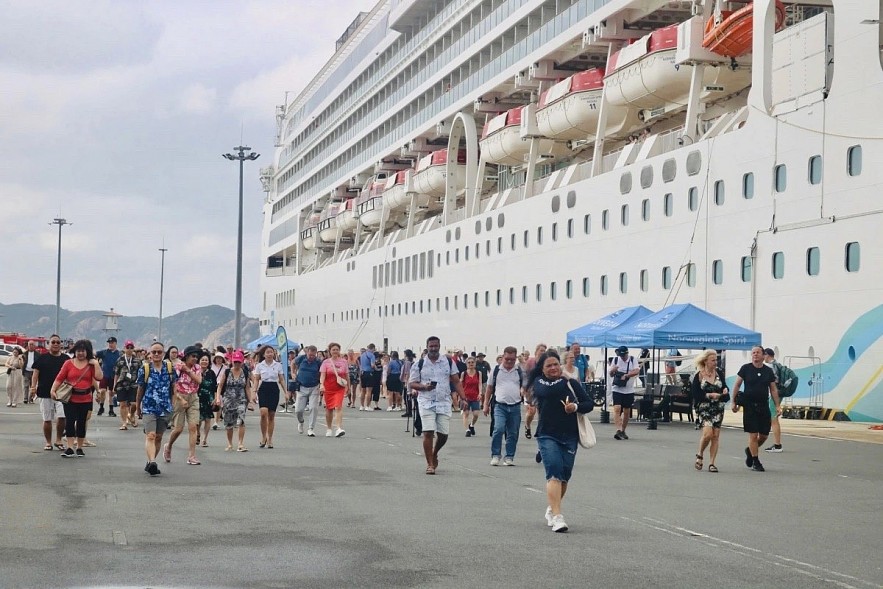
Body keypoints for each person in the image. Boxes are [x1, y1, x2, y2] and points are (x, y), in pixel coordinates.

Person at [530, 352, 593, 532]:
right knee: (554, 473)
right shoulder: (540, 383)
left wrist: (575, 407)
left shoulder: (571, 383)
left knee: (565, 476)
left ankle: (552, 508)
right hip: (547, 434)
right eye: (548, 365)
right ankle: (558, 517)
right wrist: (564, 379)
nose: (553, 368)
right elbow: (548, 391)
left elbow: (588, 403)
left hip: (570, 435)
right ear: (542, 369)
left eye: (556, 364)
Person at [408, 336, 463, 474]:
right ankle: (430, 464)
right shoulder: (420, 363)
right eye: (431, 346)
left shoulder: (448, 361)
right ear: (427, 347)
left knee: (443, 434)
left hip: (444, 401)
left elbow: (456, 381)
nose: (433, 348)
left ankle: (435, 452)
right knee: (428, 432)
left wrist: (463, 398)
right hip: (426, 401)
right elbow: (412, 383)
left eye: (435, 346)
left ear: (439, 346)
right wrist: (424, 387)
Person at [731, 345, 780, 472]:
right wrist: (733, 402)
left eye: (758, 352)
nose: (755, 355)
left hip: (763, 405)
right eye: (753, 353)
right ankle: (755, 461)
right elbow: (737, 385)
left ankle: (750, 450)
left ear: (763, 355)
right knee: (753, 435)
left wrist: (777, 405)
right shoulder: (745, 369)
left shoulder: (768, 371)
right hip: (749, 406)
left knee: (763, 435)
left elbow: (773, 389)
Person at [51, 339, 101, 457]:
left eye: (83, 351)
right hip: (71, 398)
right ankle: (69, 447)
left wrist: (96, 364)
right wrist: (53, 390)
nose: (80, 353)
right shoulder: (68, 363)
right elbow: (59, 377)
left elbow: (99, 377)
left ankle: (79, 447)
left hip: (86, 398)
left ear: (87, 352)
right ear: (75, 351)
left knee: (82, 423)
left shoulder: (91, 364)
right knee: (70, 421)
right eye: (78, 351)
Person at [136, 342, 176, 475]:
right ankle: (153, 461)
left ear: (164, 353)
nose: (157, 354)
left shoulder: (170, 368)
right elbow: (141, 389)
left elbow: (173, 389)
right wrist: (138, 406)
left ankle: (150, 461)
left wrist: (173, 405)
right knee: (151, 435)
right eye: (154, 352)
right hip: (149, 406)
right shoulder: (145, 369)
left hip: (165, 407)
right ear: (150, 354)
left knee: (158, 437)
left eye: (159, 352)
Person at [483, 346, 525, 466]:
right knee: (498, 429)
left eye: (512, 359)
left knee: (513, 433)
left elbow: (524, 385)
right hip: (500, 405)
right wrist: (486, 404)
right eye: (507, 359)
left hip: (515, 406)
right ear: (503, 357)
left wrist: (523, 390)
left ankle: (509, 456)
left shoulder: (518, 371)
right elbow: (490, 388)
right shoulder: (496, 370)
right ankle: (496, 455)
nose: (509, 362)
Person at [691, 350, 729, 472]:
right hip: (704, 407)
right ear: (705, 361)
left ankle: (712, 463)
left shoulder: (719, 373)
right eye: (712, 360)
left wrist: (725, 391)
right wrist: (709, 395)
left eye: (716, 360)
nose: (715, 362)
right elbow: (695, 393)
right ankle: (700, 454)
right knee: (708, 434)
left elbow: (724, 387)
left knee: (716, 436)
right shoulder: (698, 375)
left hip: (718, 407)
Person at [164, 345, 203, 465]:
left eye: (197, 356)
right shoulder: (178, 367)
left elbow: (199, 381)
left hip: (193, 397)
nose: (195, 359)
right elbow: (173, 386)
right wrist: (181, 399)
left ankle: (191, 456)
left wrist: (189, 371)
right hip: (180, 397)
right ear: (186, 356)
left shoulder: (197, 368)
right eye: (193, 356)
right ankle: (168, 446)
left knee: (193, 426)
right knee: (178, 429)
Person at [31, 335, 67, 450]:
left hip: (61, 393)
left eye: (58, 342)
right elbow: (35, 374)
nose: (56, 344)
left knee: (62, 416)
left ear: (61, 344)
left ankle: (59, 439)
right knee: (47, 419)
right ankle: (48, 442)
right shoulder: (42, 358)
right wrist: (33, 387)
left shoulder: (66, 359)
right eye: (53, 342)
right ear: (49, 344)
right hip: (44, 392)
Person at [215, 351, 254, 452]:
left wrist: (250, 401)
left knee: (241, 420)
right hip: (228, 400)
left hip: (241, 399)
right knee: (229, 423)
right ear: (232, 361)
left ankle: (240, 443)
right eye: (235, 362)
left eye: (239, 362)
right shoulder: (227, 372)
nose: (237, 364)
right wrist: (218, 398)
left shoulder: (245, 372)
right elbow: (220, 386)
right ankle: (230, 443)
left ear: (242, 362)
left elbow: (247, 388)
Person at [253, 345, 285, 448]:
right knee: (263, 413)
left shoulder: (278, 365)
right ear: (264, 354)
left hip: (274, 388)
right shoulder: (259, 365)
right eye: (267, 352)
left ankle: (270, 439)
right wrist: (254, 391)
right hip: (264, 388)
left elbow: (281, 379)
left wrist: (286, 392)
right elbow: (256, 379)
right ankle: (263, 437)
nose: (270, 354)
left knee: (271, 415)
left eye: (271, 352)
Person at [609, 346, 640, 440]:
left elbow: (637, 371)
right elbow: (610, 374)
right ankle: (618, 430)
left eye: (624, 355)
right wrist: (613, 370)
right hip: (617, 388)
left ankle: (623, 430)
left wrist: (627, 375)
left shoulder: (632, 359)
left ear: (627, 353)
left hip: (629, 390)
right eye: (621, 356)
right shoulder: (615, 360)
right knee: (617, 408)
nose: (622, 357)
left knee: (627, 411)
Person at [319, 342, 348, 437]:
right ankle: (329, 428)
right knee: (329, 409)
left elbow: (346, 375)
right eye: (333, 350)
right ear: (330, 351)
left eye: (337, 349)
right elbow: (323, 375)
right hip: (329, 388)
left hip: (339, 388)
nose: (335, 351)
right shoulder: (326, 362)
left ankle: (339, 428)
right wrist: (322, 385)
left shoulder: (344, 361)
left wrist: (348, 387)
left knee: (338, 407)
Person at [293, 345, 322, 436]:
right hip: (302, 387)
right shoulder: (301, 359)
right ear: (307, 353)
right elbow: (293, 363)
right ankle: (301, 421)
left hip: (314, 387)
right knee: (298, 410)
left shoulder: (318, 362)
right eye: (310, 355)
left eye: (313, 355)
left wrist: (321, 383)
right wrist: (293, 372)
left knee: (313, 408)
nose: (311, 357)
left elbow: (322, 372)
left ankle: (311, 428)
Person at [763, 348, 786, 453]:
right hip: (779, 392)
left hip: (774, 394)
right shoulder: (778, 364)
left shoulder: (770, 366)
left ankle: (777, 445)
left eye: (763, 355)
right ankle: (777, 444)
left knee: (774, 418)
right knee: (773, 417)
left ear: (767, 355)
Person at [113, 340, 140, 429]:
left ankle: (131, 414)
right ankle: (124, 423)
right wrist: (114, 386)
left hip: (133, 384)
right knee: (122, 404)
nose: (129, 349)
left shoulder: (137, 360)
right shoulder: (120, 360)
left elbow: (141, 373)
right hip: (122, 384)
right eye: (127, 347)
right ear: (124, 348)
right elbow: (116, 373)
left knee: (134, 404)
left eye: (131, 347)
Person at [196, 352, 217, 447]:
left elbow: (215, 387)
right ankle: (197, 434)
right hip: (197, 397)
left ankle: (204, 439)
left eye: (206, 360)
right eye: (202, 360)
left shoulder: (211, 373)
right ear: (199, 361)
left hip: (209, 398)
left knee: (208, 419)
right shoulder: (195, 371)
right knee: (198, 419)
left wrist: (215, 398)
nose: (204, 361)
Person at [96, 336, 121, 417]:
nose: (110, 344)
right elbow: (95, 354)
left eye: (112, 343)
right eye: (109, 343)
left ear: (115, 344)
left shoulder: (119, 354)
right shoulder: (104, 352)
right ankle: (101, 407)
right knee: (102, 391)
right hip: (104, 374)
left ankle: (111, 409)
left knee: (111, 393)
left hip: (113, 375)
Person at [460, 356, 482, 437]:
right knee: (466, 414)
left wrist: (480, 393)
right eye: (469, 363)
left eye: (472, 362)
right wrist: (461, 396)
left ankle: (471, 425)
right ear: (466, 364)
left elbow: (479, 384)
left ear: (475, 363)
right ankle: (467, 430)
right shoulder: (464, 373)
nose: (471, 364)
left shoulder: (478, 373)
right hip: (465, 396)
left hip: (475, 396)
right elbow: (460, 384)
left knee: (476, 414)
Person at [358, 344, 377, 411]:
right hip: (369, 373)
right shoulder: (372, 355)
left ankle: (361, 406)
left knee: (363, 390)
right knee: (369, 391)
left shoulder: (362, 355)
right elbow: (372, 365)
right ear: (373, 348)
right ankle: (367, 406)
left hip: (363, 373)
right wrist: (376, 367)